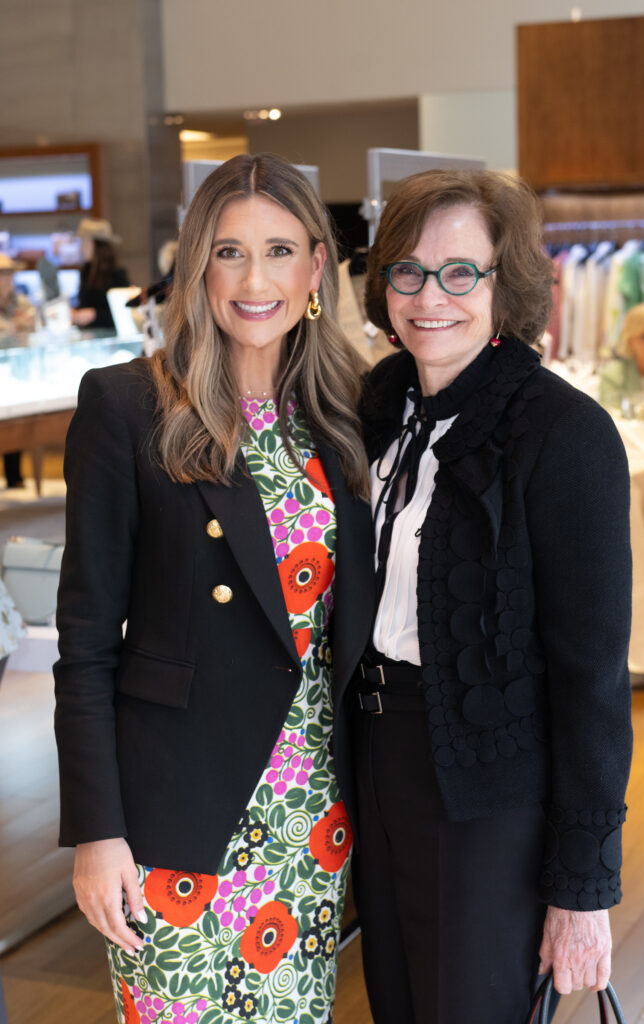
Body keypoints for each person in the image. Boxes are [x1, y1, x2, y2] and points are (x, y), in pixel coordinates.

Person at [54, 154, 374, 1024]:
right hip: (180, 814)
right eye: (229, 251)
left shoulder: (347, 411)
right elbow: (84, 643)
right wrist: (97, 832)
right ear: (197, 263)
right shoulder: (129, 406)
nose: (254, 278)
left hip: (312, 810)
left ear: (316, 266)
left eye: (278, 251)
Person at [351, 169, 633, 1024]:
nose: (429, 296)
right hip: (371, 757)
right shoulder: (378, 402)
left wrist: (582, 887)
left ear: (503, 287)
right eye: (407, 270)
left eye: (459, 272)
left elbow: (591, 676)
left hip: (486, 785)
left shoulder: (564, 434)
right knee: (394, 998)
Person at [0, 254, 36, 488]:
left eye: (9, 273)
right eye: (4, 273)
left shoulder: (20, 300)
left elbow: (33, 320)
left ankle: (14, 475)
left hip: (14, 369)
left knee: (16, 420)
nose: (7, 278)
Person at [72, 217, 130, 328]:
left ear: (96, 245)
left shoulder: (116, 274)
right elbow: (85, 305)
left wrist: (95, 315)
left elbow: (123, 314)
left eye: (84, 242)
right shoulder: (86, 272)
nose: (81, 248)